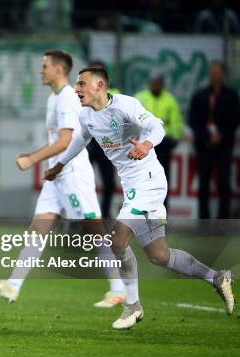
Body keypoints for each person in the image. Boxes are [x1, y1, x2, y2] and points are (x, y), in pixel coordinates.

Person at [44, 66, 235, 329]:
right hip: (133, 186)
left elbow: (157, 126)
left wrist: (146, 144)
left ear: (99, 86)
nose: (76, 89)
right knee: (160, 256)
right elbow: (80, 139)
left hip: (149, 181)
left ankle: (132, 306)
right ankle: (217, 278)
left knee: (117, 240)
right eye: (76, 85)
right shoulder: (86, 115)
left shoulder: (125, 106)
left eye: (81, 84)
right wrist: (59, 165)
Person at [0, 50, 125, 308]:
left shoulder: (68, 98)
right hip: (56, 177)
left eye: (44, 66)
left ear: (59, 69)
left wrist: (31, 159)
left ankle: (118, 288)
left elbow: (66, 141)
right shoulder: (53, 99)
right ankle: (13, 286)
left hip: (72, 176)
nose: (40, 70)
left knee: (93, 232)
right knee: (37, 230)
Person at [188, 62, 239, 219]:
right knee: (203, 184)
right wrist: (205, 135)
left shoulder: (231, 96)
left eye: (217, 72)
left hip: (224, 146)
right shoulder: (200, 95)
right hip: (204, 145)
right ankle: (204, 220)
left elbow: (235, 120)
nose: (214, 75)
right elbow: (193, 119)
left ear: (223, 74)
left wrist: (221, 135)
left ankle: (223, 220)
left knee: (224, 183)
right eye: (212, 72)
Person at [134, 74, 183, 208]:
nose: (155, 85)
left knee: (162, 180)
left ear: (162, 84)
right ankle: (141, 210)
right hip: (143, 145)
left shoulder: (170, 101)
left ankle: (162, 211)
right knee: (142, 179)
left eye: (158, 82)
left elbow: (176, 124)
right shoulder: (140, 98)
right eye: (153, 82)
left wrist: (172, 139)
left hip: (163, 145)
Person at [86, 61, 117, 218]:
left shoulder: (115, 94)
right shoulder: (81, 93)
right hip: (87, 144)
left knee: (109, 184)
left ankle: (104, 216)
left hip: (106, 146)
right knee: (82, 181)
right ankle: (82, 215)